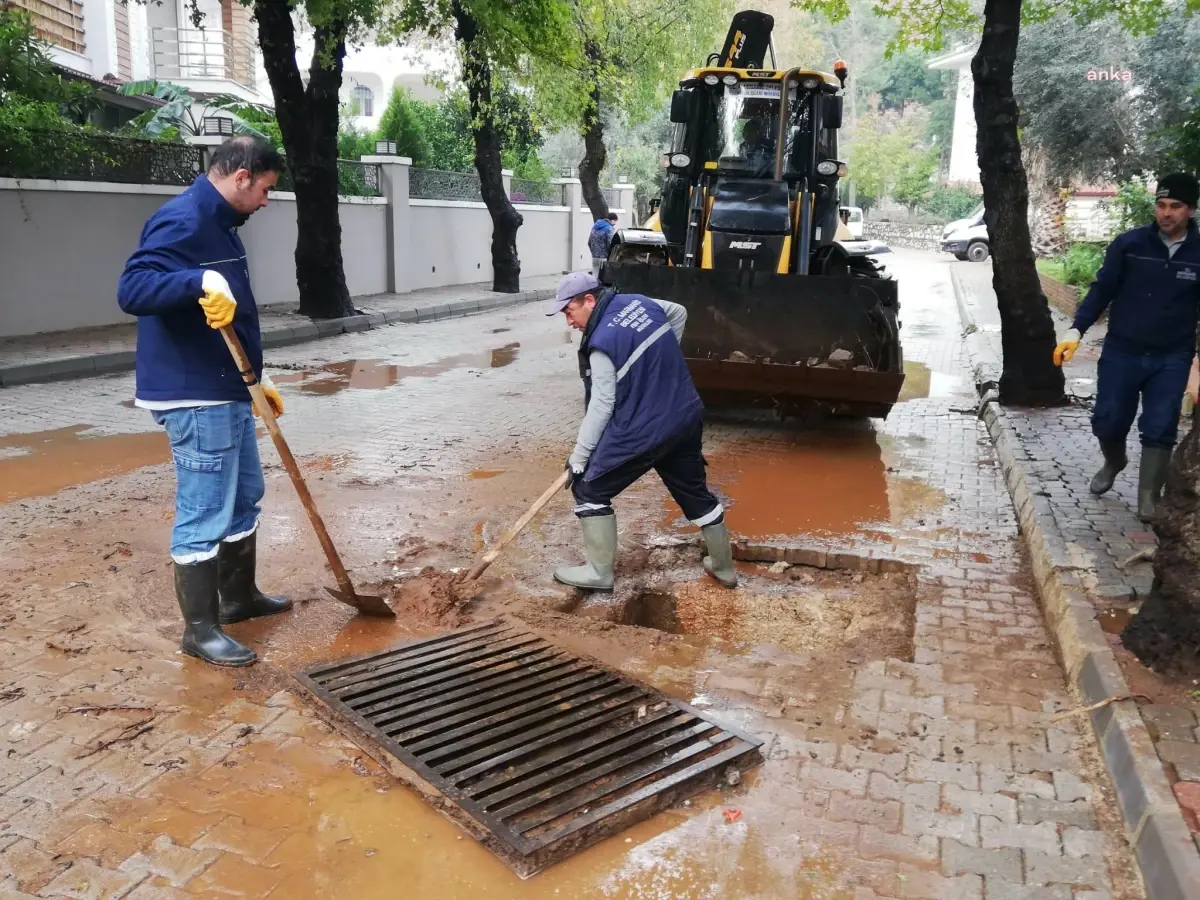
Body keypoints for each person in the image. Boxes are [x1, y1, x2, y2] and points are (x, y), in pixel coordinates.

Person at [117, 136, 291, 668]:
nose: (265, 201)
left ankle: (239, 598)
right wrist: (197, 280)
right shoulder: (186, 218)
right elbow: (134, 289)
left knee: (244, 495)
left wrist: (254, 382)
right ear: (241, 176)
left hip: (227, 386)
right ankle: (200, 630)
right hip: (195, 394)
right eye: (264, 190)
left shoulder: (222, 223)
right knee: (205, 507)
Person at [546, 272, 736, 591]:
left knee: (589, 488)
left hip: (645, 430)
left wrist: (578, 460)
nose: (569, 321)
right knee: (694, 492)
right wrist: (659, 361)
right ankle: (723, 567)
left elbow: (603, 406)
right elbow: (678, 311)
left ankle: (599, 573)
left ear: (589, 300)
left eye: (569, 311)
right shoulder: (639, 302)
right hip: (684, 416)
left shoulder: (601, 344)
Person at [1053, 172, 1200, 521]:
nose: (1166, 213)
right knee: (1108, 420)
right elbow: (1102, 289)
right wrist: (1076, 330)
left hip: (1172, 355)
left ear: (1191, 210)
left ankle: (1148, 498)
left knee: (1161, 425)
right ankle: (1114, 460)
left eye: (1175, 206)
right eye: (1161, 205)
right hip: (1123, 350)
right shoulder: (1130, 245)